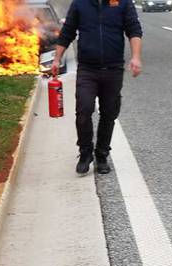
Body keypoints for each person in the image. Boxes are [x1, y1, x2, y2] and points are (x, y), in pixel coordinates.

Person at [51, 0, 143, 176]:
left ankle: (102, 155)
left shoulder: (123, 3)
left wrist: (136, 57)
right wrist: (57, 59)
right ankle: (85, 152)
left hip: (113, 68)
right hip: (87, 69)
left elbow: (134, 30)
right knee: (84, 110)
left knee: (109, 114)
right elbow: (67, 32)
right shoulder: (80, 3)